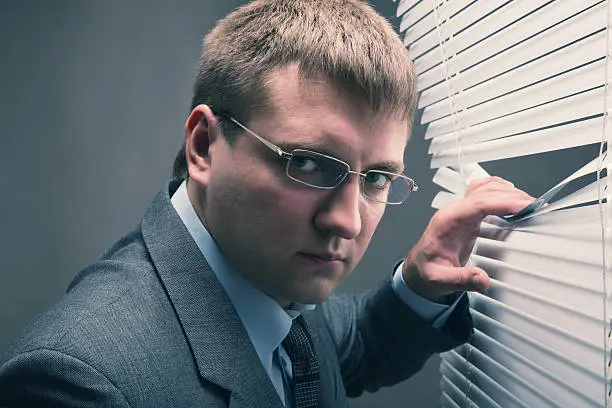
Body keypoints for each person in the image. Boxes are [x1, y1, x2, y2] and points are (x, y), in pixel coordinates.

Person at [0, 0, 534, 407]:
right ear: (204, 147)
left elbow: (350, 349)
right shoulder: (78, 381)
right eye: (307, 163)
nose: (346, 222)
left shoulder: (268, 278)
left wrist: (419, 284)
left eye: (375, 178)